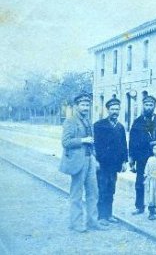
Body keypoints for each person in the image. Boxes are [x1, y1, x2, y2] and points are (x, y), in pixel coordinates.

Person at [59, 93, 106, 233]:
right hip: (77, 161)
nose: (86, 107)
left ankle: (92, 221)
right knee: (77, 193)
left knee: (93, 192)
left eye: (87, 105)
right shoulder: (70, 121)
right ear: (76, 106)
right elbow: (65, 142)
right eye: (83, 105)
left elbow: (92, 143)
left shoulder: (87, 121)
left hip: (90, 159)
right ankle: (76, 223)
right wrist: (83, 140)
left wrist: (95, 158)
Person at [129, 95, 156, 215]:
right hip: (142, 158)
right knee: (140, 183)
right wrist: (131, 158)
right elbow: (132, 141)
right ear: (143, 105)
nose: (148, 107)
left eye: (151, 105)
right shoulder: (137, 122)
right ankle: (139, 206)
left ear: (154, 106)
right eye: (146, 105)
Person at [93, 97, 128, 226]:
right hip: (102, 164)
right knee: (102, 189)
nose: (115, 111)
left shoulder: (120, 127)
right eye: (112, 109)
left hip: (114, 165)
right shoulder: (99, 125)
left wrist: (124, 161)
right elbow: (94, 145)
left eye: (117, 109)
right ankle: (101, 216)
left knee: (111, 189)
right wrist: (95, 160)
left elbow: (124, 145)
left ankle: (109, 214)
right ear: (107, 110)